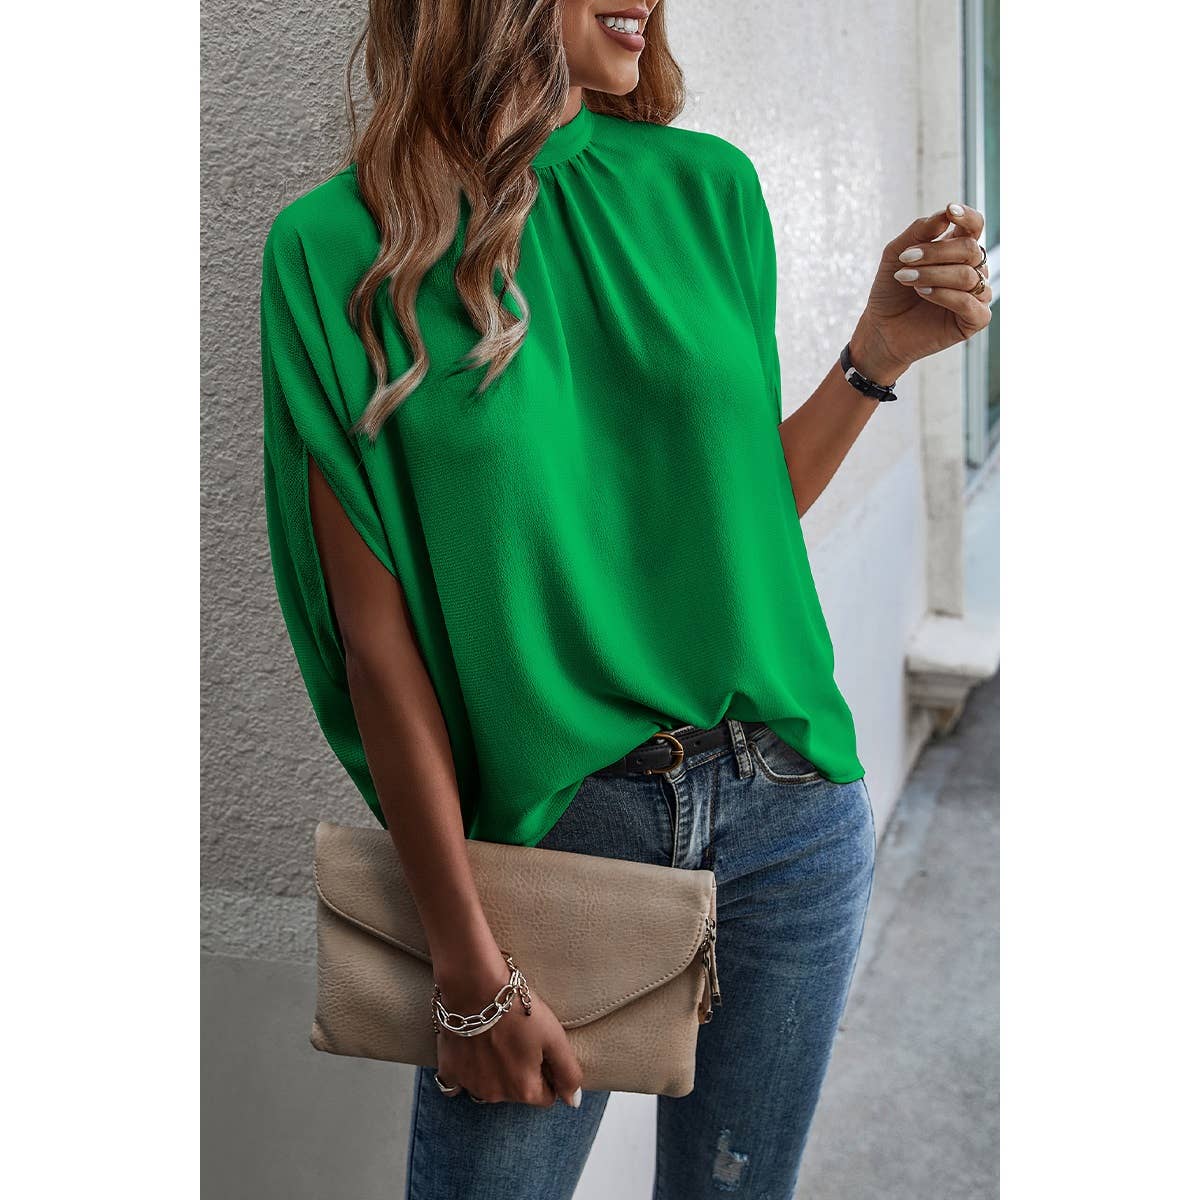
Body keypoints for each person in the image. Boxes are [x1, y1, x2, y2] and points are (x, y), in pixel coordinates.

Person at [259, 2, 992, 1196]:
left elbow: (737, 523)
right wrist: (465, 970)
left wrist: (876, 356)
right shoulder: (338, 248)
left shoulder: (711, 190)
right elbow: (374, 651)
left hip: (791, 814)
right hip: (557, 848)